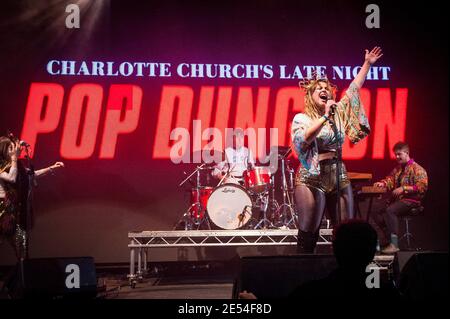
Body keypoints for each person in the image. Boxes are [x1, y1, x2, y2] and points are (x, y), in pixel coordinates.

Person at [291, 47, 383, 253]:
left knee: (346, 231)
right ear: (310, 95)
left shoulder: (338, 112)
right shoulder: (302, 118)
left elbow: (354, 88)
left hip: (338, 172)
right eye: (319, 89)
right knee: (309, 231)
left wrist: (367, 64)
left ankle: (345, 277)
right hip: (312, 175)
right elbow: (305, 139)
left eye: (327, 88)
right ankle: (304, 274)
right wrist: (324, 116)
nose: (324, 90)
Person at [0, 135, 64, 260]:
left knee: (21, 247)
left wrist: (51, 168)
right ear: (3, 150)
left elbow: (31, 174)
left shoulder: (16, 165)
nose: (15, 150)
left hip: (16, 211)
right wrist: (14, 159)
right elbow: (12, 178)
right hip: (4, 212)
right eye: (11, 148)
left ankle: (23, 274)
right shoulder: (2, 166)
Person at [372, 142, 428, 254]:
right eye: (395, 155)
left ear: (406, 153)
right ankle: (388, 238)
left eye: (399, 154)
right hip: (399, 201)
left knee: (390, 210)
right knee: (375, 210)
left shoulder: (417, 168)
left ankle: (394, 244)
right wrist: (382, 183)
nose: (397, 157)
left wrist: (404, 188)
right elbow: (390, 179)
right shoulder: (398, 169)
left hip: (412, 201)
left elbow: (422, 186)